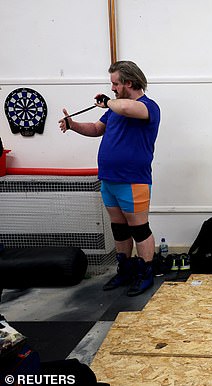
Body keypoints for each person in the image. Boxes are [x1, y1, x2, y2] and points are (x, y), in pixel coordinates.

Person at [58, 60, 161, 297]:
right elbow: (95, 128)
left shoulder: (148, 107)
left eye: (116, 83)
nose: (113, 87)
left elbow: (126, 108)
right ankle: (125, 269)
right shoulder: (113, 111)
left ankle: (145, 273)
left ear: (129, 82)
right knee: (119, 229)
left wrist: (107, 102)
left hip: (133, 180)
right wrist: (72, 125)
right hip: (109, 179)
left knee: (140, 230)